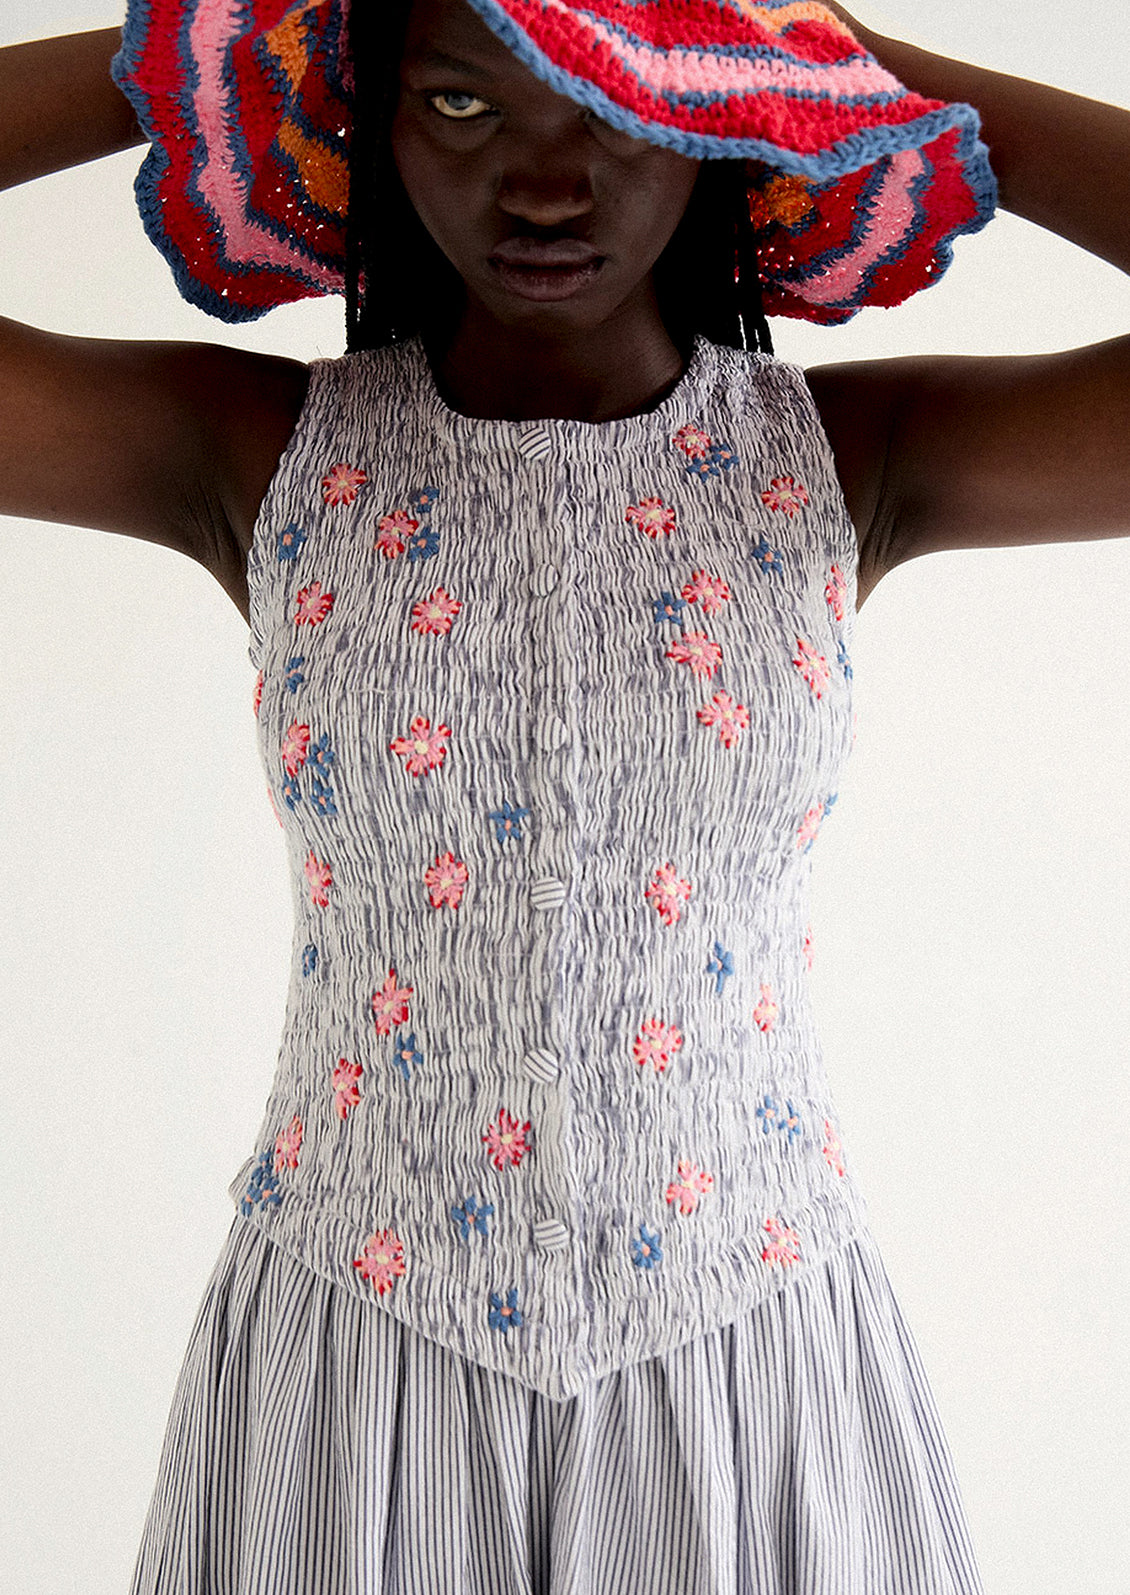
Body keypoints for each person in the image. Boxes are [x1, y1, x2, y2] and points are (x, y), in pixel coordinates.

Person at [1, 1, 1127, 1591]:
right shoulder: (250, 454)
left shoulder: (852, 459)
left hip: (745, 1355)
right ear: (374, 117)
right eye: (462, 104)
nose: (544, 182)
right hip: (353, 1362)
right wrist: (214, 43)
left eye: (616, 99)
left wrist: (844, 60)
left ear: (710, 114)